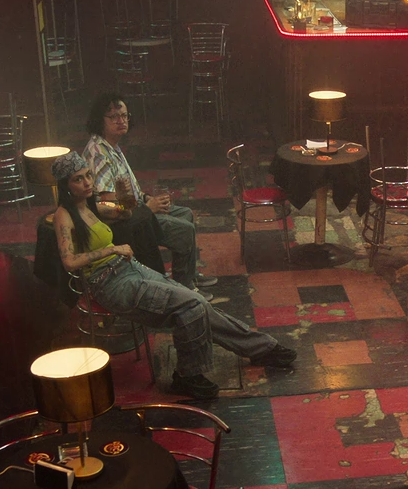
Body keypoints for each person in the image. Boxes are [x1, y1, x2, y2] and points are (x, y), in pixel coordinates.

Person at [52, 151, 294, 399]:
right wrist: (111, 249)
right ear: (65, 185)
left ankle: (256, 350)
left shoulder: (92, 205)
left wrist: (124, 195)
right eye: (78, 179)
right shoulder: (64, 215)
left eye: (88, 175)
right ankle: (191, 374)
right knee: (192, 304)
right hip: (109, 284)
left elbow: (125, 213)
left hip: (128, 268)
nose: (87, 182)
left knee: (195, 303)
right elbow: (69, 262)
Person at [81, 93, 217, 291]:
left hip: (137, 208)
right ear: (99, 120)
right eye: (114, 117)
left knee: (185, 213)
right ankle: (185, 288)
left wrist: (146, 198)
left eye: (124, 116)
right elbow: (108, 204)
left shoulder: (111, 146)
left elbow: (126, 190)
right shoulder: (98, 153)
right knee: (185, 230)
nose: (121, 121)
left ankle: (189, 275)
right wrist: (147, 208)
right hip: (127, 222)